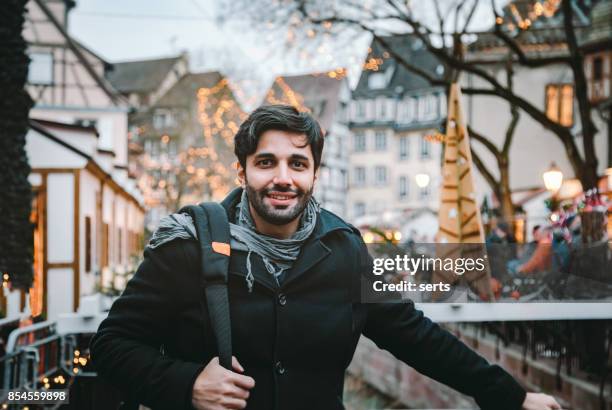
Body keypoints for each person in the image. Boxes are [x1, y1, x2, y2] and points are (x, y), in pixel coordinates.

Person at [90, 105, 561, 410]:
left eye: (298, 164)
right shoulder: (188, 244)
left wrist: (511, 398)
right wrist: (186, 383)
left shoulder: (344, 249)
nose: (283, 177)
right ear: (243, 170)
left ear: (314, 173)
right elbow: (111, 345)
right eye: (266, 162)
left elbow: (414, 336)